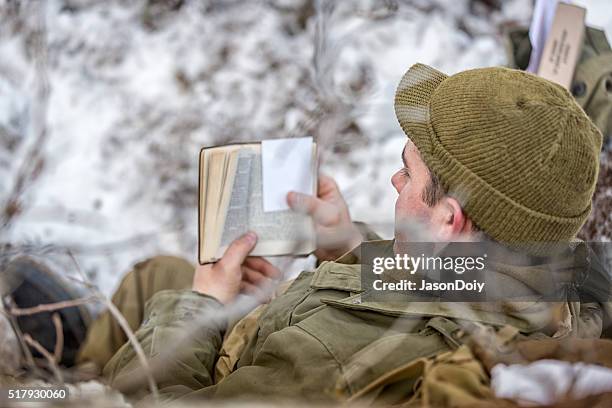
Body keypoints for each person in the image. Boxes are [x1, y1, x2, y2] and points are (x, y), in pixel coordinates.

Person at [7, 62, 607, 404]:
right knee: (153, 275)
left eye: (408, 169)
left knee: (159, 295)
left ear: (450, 219)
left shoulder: (333, 363)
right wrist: (343, 245)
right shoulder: (550, 277)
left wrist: (201, 306)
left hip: (228, 373)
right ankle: (84, 350)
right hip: (288, 325)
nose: (392, 178)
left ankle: (60, 379)